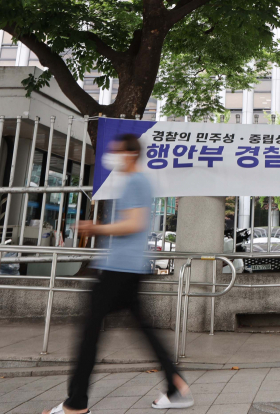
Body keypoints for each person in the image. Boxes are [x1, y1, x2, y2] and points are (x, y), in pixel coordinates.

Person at [44, 133, 193, 414]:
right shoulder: (133, 181)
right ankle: (177, 387)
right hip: (125, 267)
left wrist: (95, 228)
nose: (111, 156)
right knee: (141, 331)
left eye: (116, 151)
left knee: (90, 334)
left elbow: (134, 224)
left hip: (119, 269)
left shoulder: (135, 181)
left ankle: (75, 404)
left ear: (129, 154)